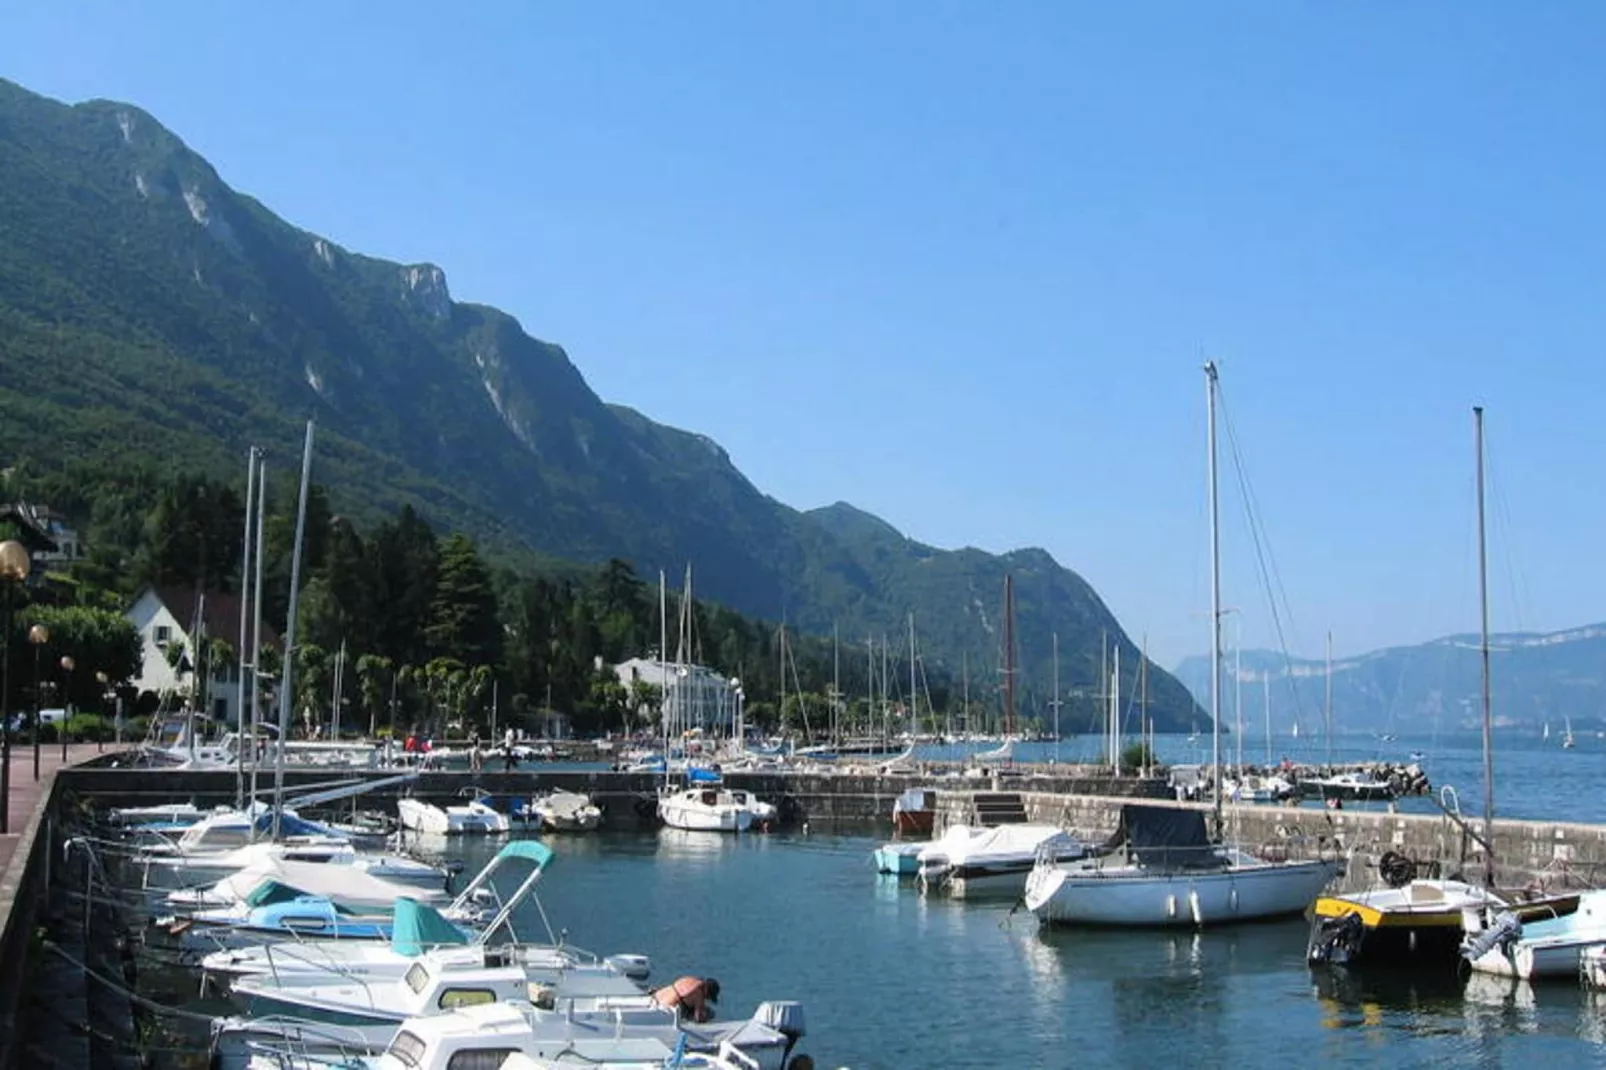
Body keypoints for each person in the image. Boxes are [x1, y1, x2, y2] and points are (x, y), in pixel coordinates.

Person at [651, 976, 719, 1023]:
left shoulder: (690, 980)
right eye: (709, 997)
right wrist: (705, 1018)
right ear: (707, 991)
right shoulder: (698, 994)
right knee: (710, 1012)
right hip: (671, 1007)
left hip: (660, 997)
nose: (707, 999)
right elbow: (698, 1018)